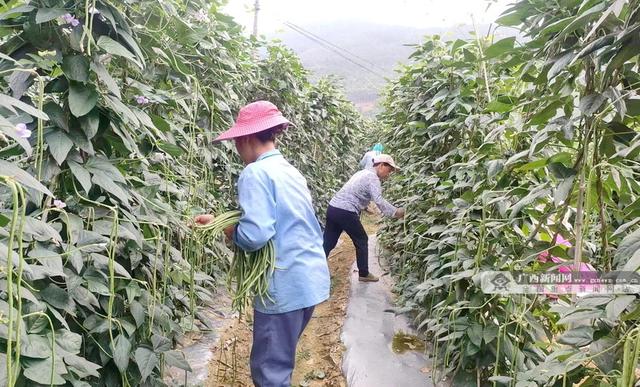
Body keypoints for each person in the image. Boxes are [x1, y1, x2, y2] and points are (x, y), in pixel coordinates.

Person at [194, 101, 330, 387]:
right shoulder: (290, 171)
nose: (236, 149)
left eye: (236, 142)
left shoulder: (255, 173)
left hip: (283, 286)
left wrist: (228, 228)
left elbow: (255, 236)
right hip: (309, 280)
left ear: (245, 138)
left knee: (270, 372)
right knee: (281, 360)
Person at [323, 154, 405, 282]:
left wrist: (366, 207)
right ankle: (363, 273)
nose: (388, 175)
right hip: (346, 211)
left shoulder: (361, 173)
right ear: (381, 165)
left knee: (329, 241)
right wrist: (396, 212)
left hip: (333, 208)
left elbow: (353, 192)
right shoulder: (373, 178)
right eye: (389, 171)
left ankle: (316, 269)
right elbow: (378, 200)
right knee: (361, 239)